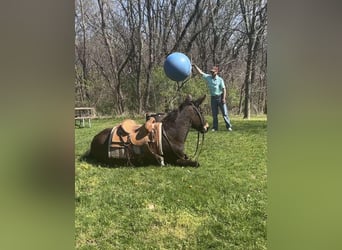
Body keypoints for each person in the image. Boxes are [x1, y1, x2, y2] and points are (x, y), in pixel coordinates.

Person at [193, 64, 232, 131]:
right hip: (213, 98)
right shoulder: (208, 77)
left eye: (213, 72)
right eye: (211, 72)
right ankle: (215, 127)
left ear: (216, 72)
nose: (212, 73)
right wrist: (195, 66)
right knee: (214, 114)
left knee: (224, 113)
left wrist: (223, 98)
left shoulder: (220, 80)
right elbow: (201, 72)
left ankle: (228, 126)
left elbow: (224, 89)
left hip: (220, 97)